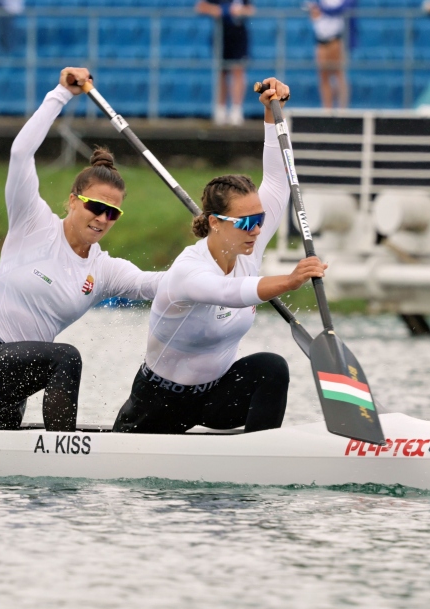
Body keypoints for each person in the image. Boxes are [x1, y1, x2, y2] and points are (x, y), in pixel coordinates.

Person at [0, 67, 163, 433]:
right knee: (66, 357)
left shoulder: (103, 270)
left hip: (12, 389)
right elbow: (20, 152)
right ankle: (65, 451)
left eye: (113, 213)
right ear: (74, 201)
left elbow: (157, 284)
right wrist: (60, 94)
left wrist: (230, 284)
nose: (103, 218)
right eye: (96, 206)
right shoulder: (32, 222)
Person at [113, 78, 327, 435]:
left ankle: (260, 455)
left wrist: (272, 114)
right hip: (157, 405)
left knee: (272, 368)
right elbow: (229, 293)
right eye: (246, 223)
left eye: (260, 220)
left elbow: (277, 182)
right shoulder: (188, 270)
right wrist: (291, 281)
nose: (257, 230)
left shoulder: (248, 243)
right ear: (215, 222)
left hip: (215, 398)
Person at [196, 0, 256, 126]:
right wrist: (216, 10)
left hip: (238, 34)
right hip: (221, 34)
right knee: (221, 72)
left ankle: (236, 110)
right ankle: (221, 109)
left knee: (238, 70)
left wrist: (239, 11)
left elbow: (251, 10)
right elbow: (200, 7)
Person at [309, 0, 355, 109]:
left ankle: (342, 108)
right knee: (323, 76)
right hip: (321, 40)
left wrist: (323, 9)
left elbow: (340, 9)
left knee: (339, 74)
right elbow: (313, 12)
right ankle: (327, 108)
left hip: (335, 40)